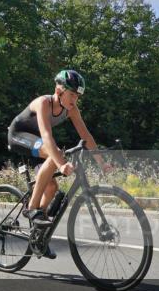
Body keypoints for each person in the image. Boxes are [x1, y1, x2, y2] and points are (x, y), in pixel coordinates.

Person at [7, 69, 108, 259]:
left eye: (77, 97)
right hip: (18, 136)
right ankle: (32, 208)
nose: (74, 100)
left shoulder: (71, 110)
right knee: (56, 155)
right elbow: (46, 136)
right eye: (72, 95)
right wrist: (61, 164)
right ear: (59, 90)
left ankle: (38, 234)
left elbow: (86, 136)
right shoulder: (43, 103)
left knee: (52, 187)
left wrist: (102, 162)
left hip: (36, 142)